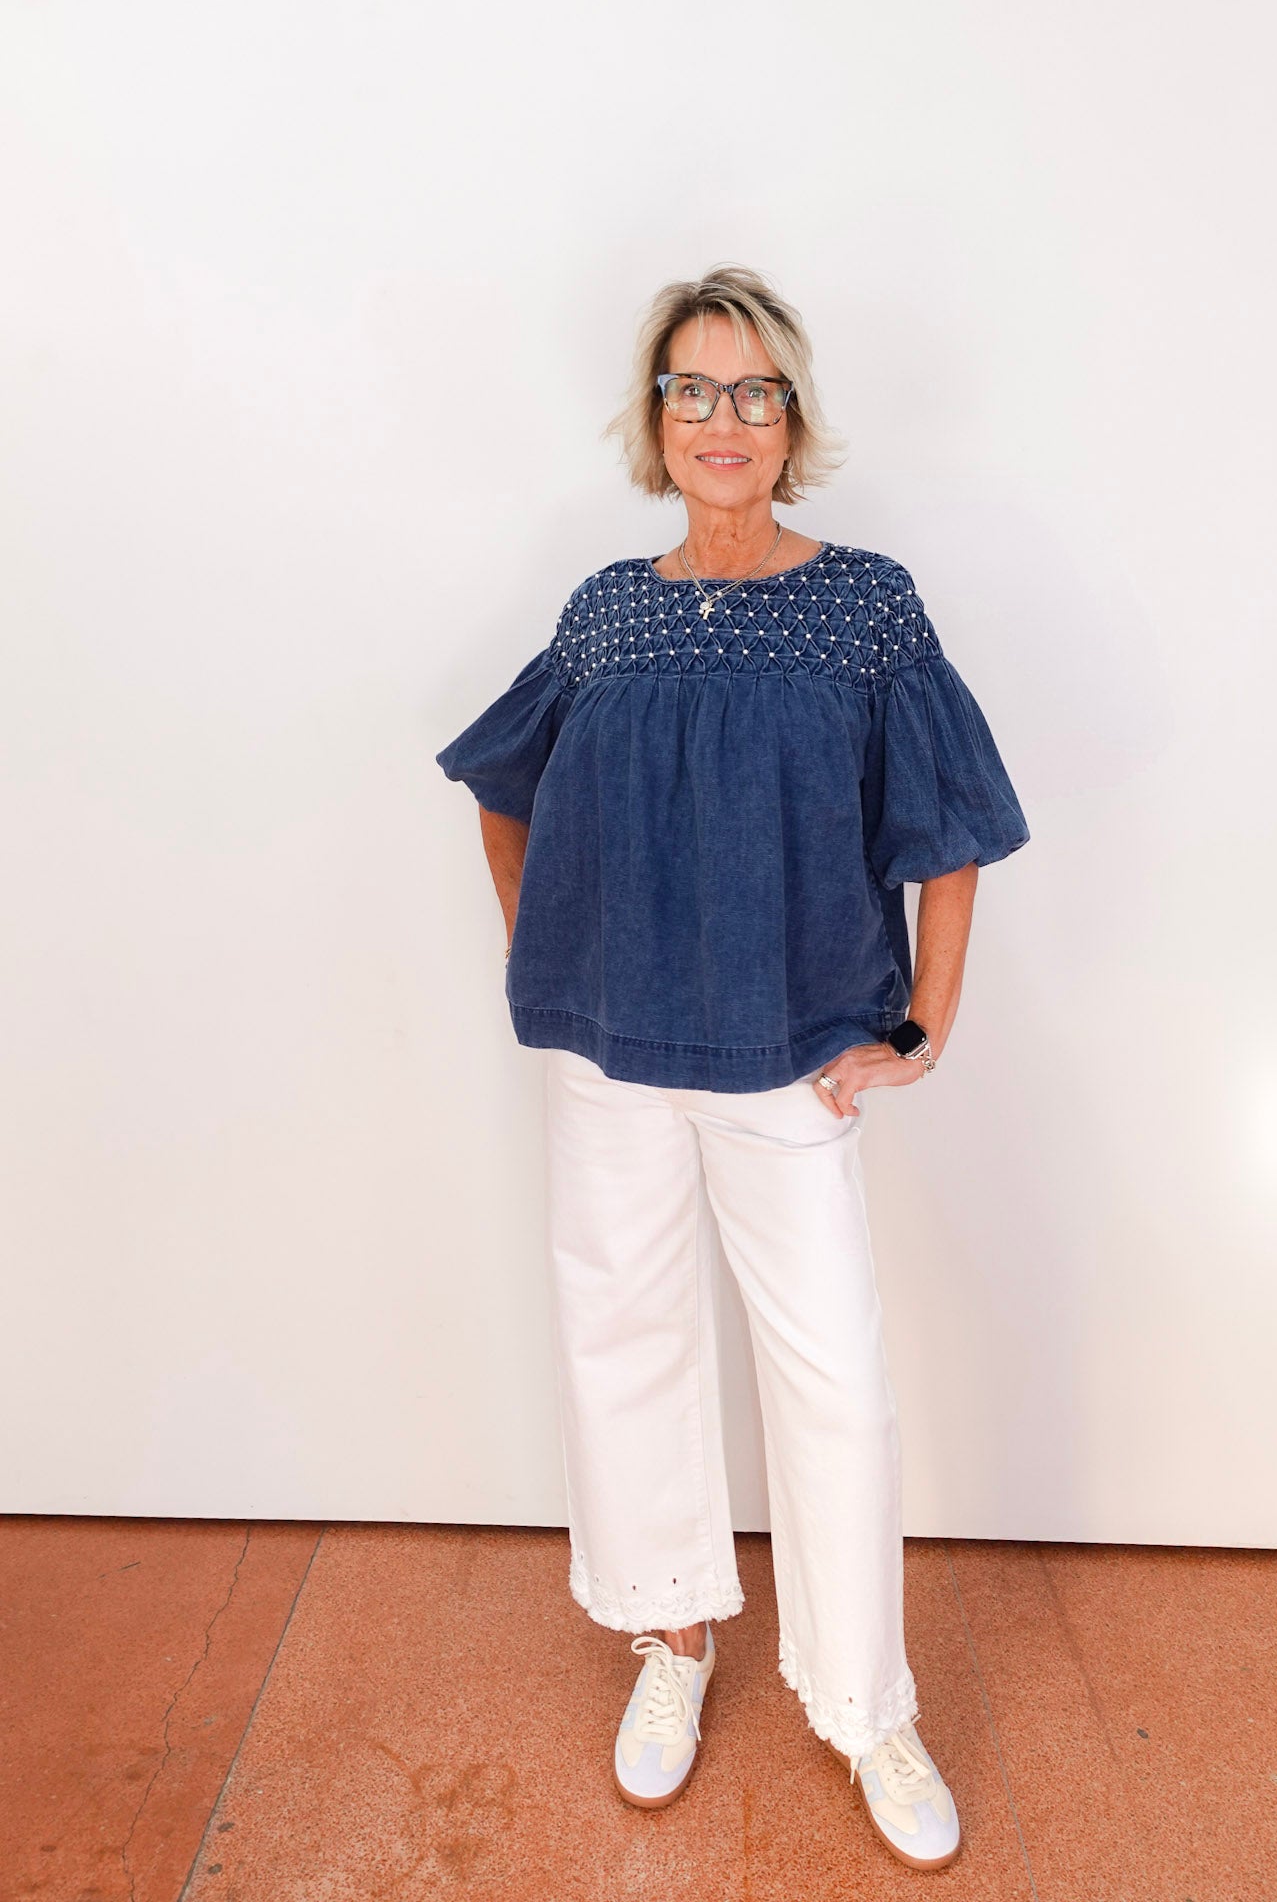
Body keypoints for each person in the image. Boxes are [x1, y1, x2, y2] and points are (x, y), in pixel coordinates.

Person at [435, 263, 1028, 1871]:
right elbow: (504, 786)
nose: (724, 419)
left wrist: (922, 1025)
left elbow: (952, 828)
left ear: (790, 420)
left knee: (833, 1375)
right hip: (612, 1056)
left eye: (753, 391)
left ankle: (866, 1703)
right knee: (622, 1331)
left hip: (790, 1057)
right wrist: (546, 947)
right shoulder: (606, 611)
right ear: (658, 418)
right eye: (694, 389)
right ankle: (674, 1633)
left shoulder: (865, 605)